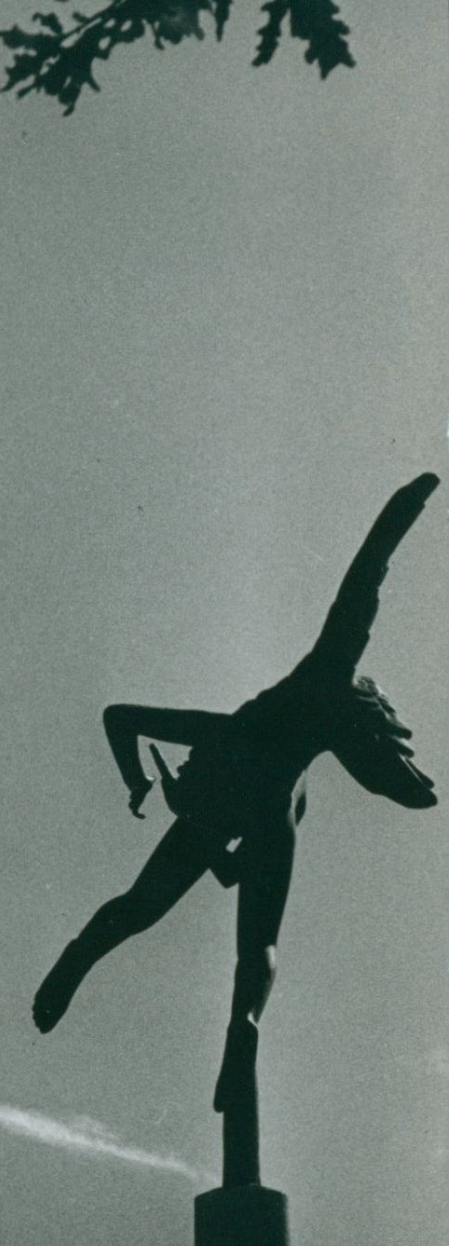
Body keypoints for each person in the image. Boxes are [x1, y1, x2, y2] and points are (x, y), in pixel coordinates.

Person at [33, 473, 437, 1111]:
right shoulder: (294, 782)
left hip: (228, 799)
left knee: (141, 906)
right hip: (263, 810)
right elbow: (365, 576)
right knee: (258, 945)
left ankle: (80, 956)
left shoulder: (247, 723)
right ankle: (243, 1022)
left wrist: (139, 781)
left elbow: (119, 718)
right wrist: (408, 502)